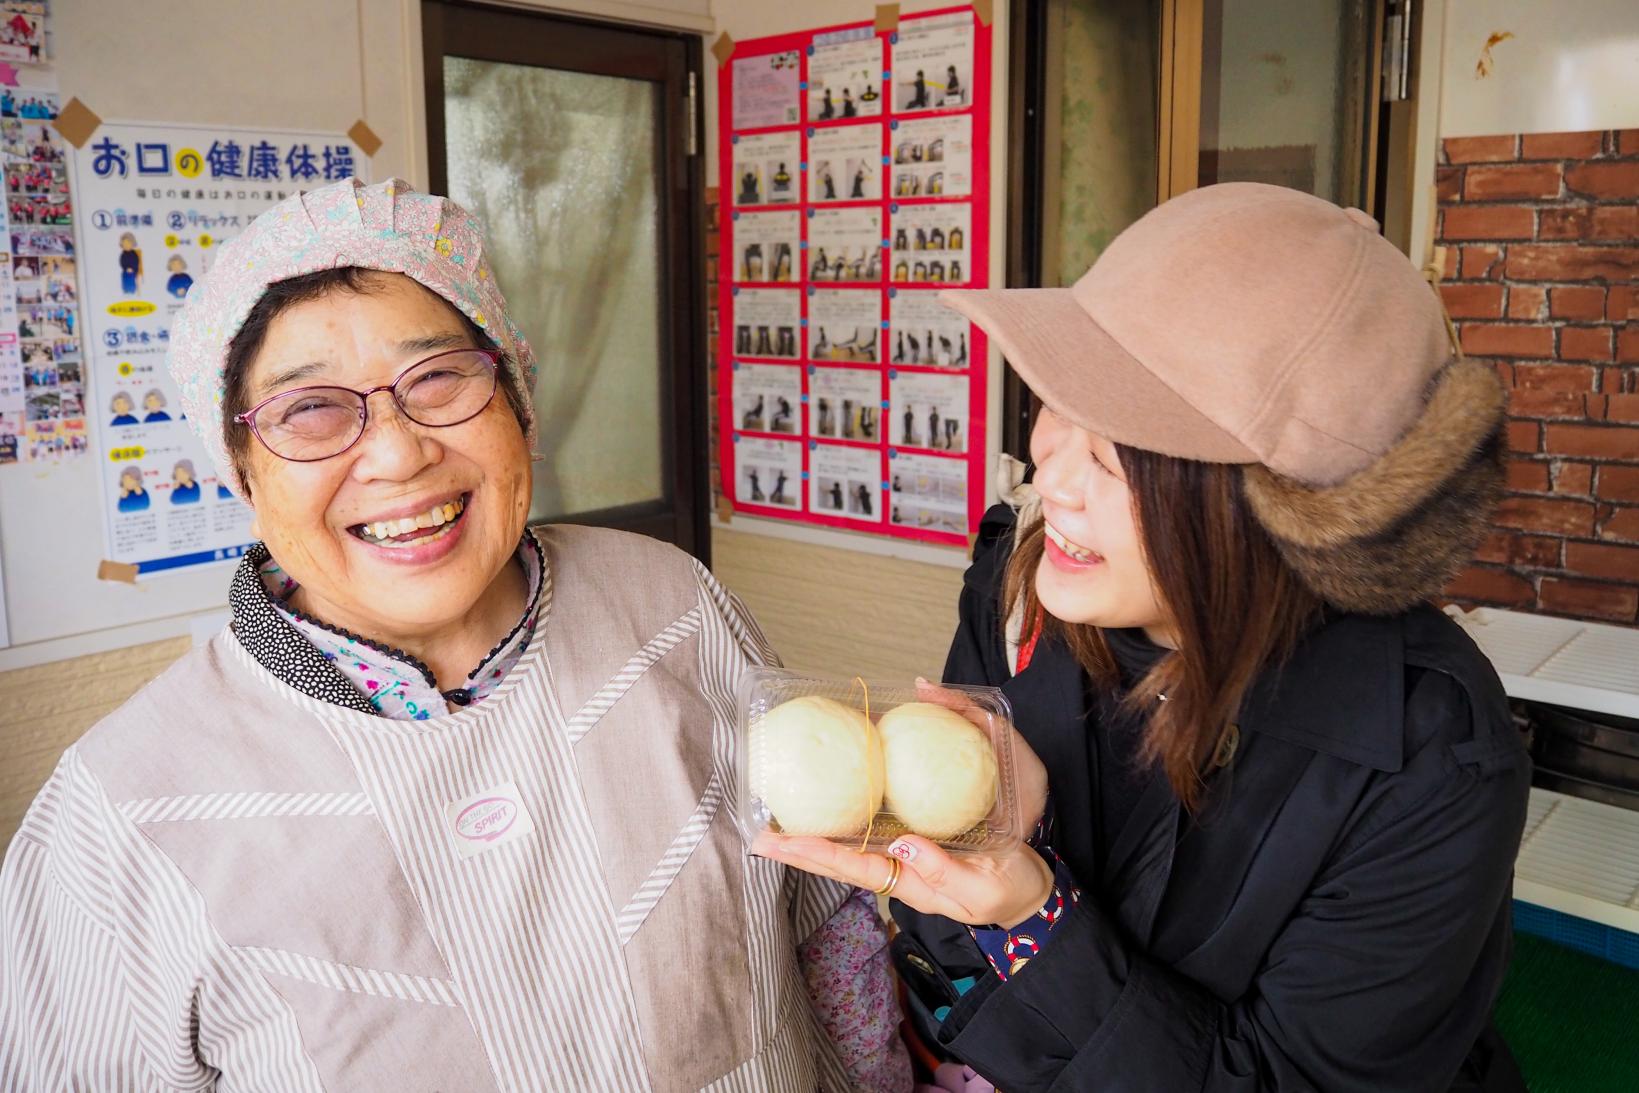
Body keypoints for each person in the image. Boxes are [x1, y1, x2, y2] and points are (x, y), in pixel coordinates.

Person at [0, 178, 909, 1091]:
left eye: (438, 379)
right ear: (239, 470)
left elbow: (823, 921)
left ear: (517, 400)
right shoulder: (119, 813)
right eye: (308, 409)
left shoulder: (672, 599)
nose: (397, 453)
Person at [758, 183, 1530, 1092]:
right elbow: (937, 951)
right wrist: (966, 853)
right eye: (1053, 405)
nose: (1050, 470)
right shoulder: (1019, 596)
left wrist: (1036, 914)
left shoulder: (1427, 754)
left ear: (1261, 520)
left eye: (1113, 456)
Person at [117, 230, 142, 295]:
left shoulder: (134, 254)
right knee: (124, 279)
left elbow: (136, 262)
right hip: (125, 272)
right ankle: (125, 290)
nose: (126, 245)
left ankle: (131, 291)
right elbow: (121, 262)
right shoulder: (123, 254)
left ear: (132, 244)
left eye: (128, 243)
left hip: (133, 272)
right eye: (124, 244)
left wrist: (132, 269)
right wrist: (125, 268)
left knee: (131, 281)